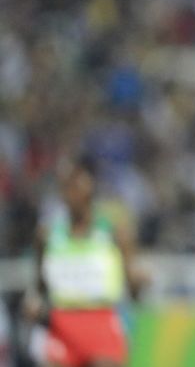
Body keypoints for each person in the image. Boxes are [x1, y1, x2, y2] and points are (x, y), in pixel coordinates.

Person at [23, 155, 146, 367]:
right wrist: (34, 301)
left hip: (101, 322)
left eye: (76, 185)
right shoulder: (47, 234)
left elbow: (133, 290)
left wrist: (138, 282)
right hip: (61, 322)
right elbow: (40, 284)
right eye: (66, 187)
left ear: (90, 188)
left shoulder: (114, 232)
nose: (71, 194)